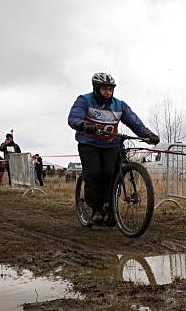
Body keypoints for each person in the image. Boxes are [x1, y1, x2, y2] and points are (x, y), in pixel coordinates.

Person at [67, 72, 159, 225]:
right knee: (95, 174)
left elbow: (134, 122)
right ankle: (96, 208)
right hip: (89, 144)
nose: (108, 92)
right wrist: (83, 125)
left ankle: (109, 208)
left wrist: (147, 134)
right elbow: (73, 118)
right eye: (104, 89)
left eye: (110, 89)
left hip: (110, 145)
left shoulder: (119, 105)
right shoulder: (84, 100)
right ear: (96, 88)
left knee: (111, 175)